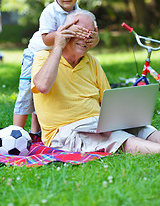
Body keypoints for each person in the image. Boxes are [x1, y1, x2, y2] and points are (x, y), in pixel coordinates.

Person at [31, 9, 160, 155]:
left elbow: (107, 100)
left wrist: (123, 120)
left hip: (97, 123)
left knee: (143, 129)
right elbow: (42, 86)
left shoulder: (91, 61)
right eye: (79, 32)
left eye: (90, 34)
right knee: (117, 137)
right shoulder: (44, 57)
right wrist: (58, 46)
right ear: (65, 31)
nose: (85, 38)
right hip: (65, 131)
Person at [13, 0, 99, 140]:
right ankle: (15, 132)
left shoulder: (79, 13)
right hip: (36, 54)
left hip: (57, 57)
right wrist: (65, 32)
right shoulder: (49, 12)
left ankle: (36, 131)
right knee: (26, 93)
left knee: (47, 94)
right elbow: (46, 39)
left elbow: (89, 36)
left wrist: (94, 39)